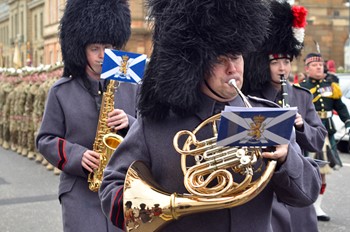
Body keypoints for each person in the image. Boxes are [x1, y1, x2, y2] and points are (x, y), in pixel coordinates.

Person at [99, 0, 321, 231]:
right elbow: (112, 186)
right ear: (197, 63)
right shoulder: (157, 123)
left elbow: (306, 195)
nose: (232, 69)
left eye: (236, 57)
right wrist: (149, 209)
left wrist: (286, 159)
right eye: (220, 60)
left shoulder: (268, 116)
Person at [36, 0, 137, 231]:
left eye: (108, 47)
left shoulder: (131, 85)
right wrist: (77, 156)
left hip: (123, 189)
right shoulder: (61, 91)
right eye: (94, 49)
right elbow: (45, 139)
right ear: (81, 49)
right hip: (80, 192)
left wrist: (130, 123)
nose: (102, 55)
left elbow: (151, 130)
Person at [242, 1, 326, 231]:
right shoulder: (250, 97)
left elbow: (318, 139)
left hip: (297, 186)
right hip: (265, 191)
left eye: (287, 62)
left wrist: (301, 127)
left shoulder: (301, 96)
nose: (282, 68)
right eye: (275, 62)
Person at [300, 52, 350, 221]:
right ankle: (303, 205)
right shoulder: (302, 88)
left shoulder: (331, 86)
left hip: (326, 134)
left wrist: (348, 121)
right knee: (305, 170)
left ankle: (317, 207)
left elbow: (340, 106)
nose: (319, 67)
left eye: (321, 65)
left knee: (322, 172)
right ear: (307, 69)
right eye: (315, 65)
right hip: (307, 134)